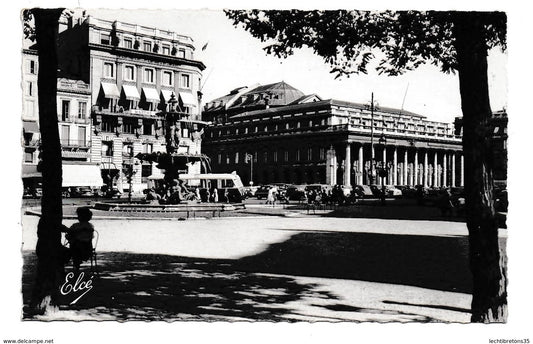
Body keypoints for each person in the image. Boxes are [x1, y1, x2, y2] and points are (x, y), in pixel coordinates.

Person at [65, 207, 95, 272]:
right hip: (88, 248)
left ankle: (75, 266)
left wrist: (69, 237)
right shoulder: (90, 226)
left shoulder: (75, 226)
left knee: (72, 248)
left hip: (77, 249)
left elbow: (68, 235)